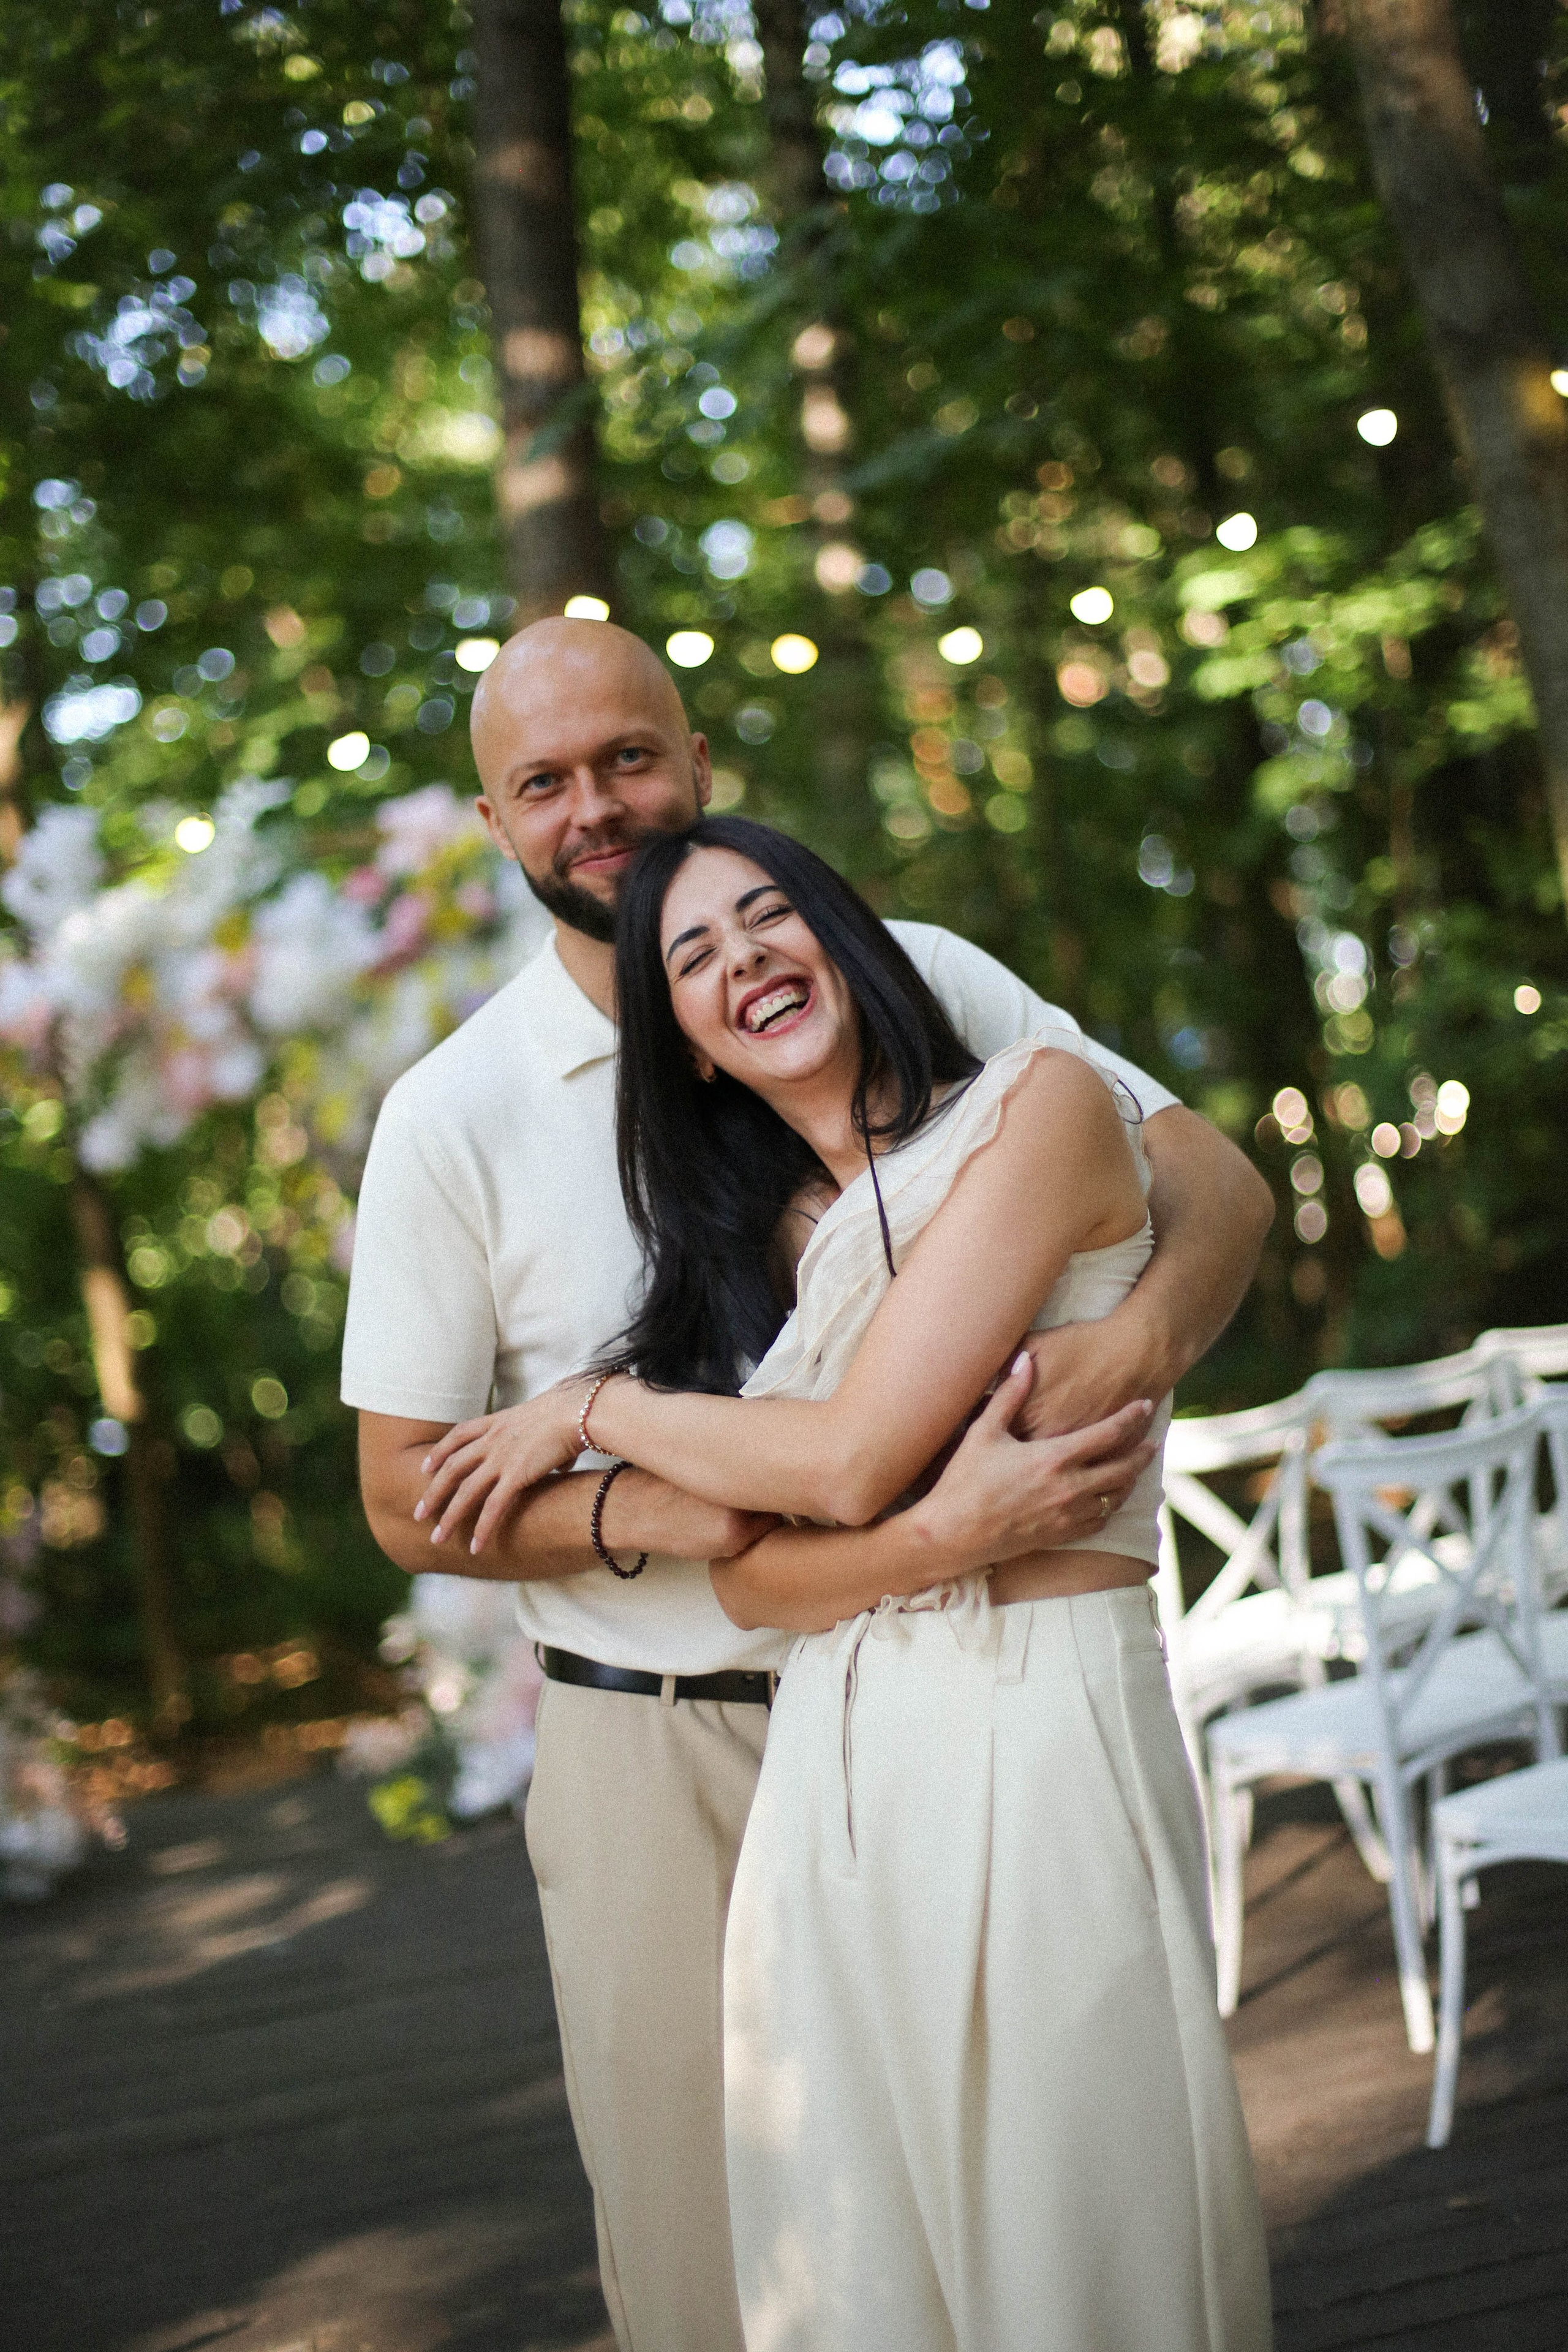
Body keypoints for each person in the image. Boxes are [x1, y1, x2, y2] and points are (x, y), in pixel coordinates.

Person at [345, 619, 1274, 2352]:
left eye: (629, 757)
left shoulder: (898, 969)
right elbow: (406, 1500)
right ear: (494, 823)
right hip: (676, 1724)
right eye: (542, 782)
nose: (596, 805)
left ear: (699, 761)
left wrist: (1132, 1347)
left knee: (1038, 2214)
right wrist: (680, 1505)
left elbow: (1205, 1173)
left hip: (975, 1691)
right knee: (747, 2270)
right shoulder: (452, 1113)